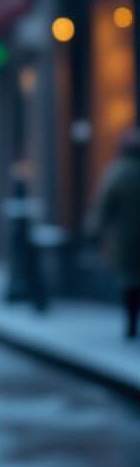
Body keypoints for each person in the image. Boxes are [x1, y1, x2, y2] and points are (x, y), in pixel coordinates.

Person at [90, 128, 140, 338]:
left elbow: (104, 206)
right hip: (129, 236)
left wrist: (94, 231)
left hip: (127, 238)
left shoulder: (118, 172)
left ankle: (131, 325)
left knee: (130, 281)